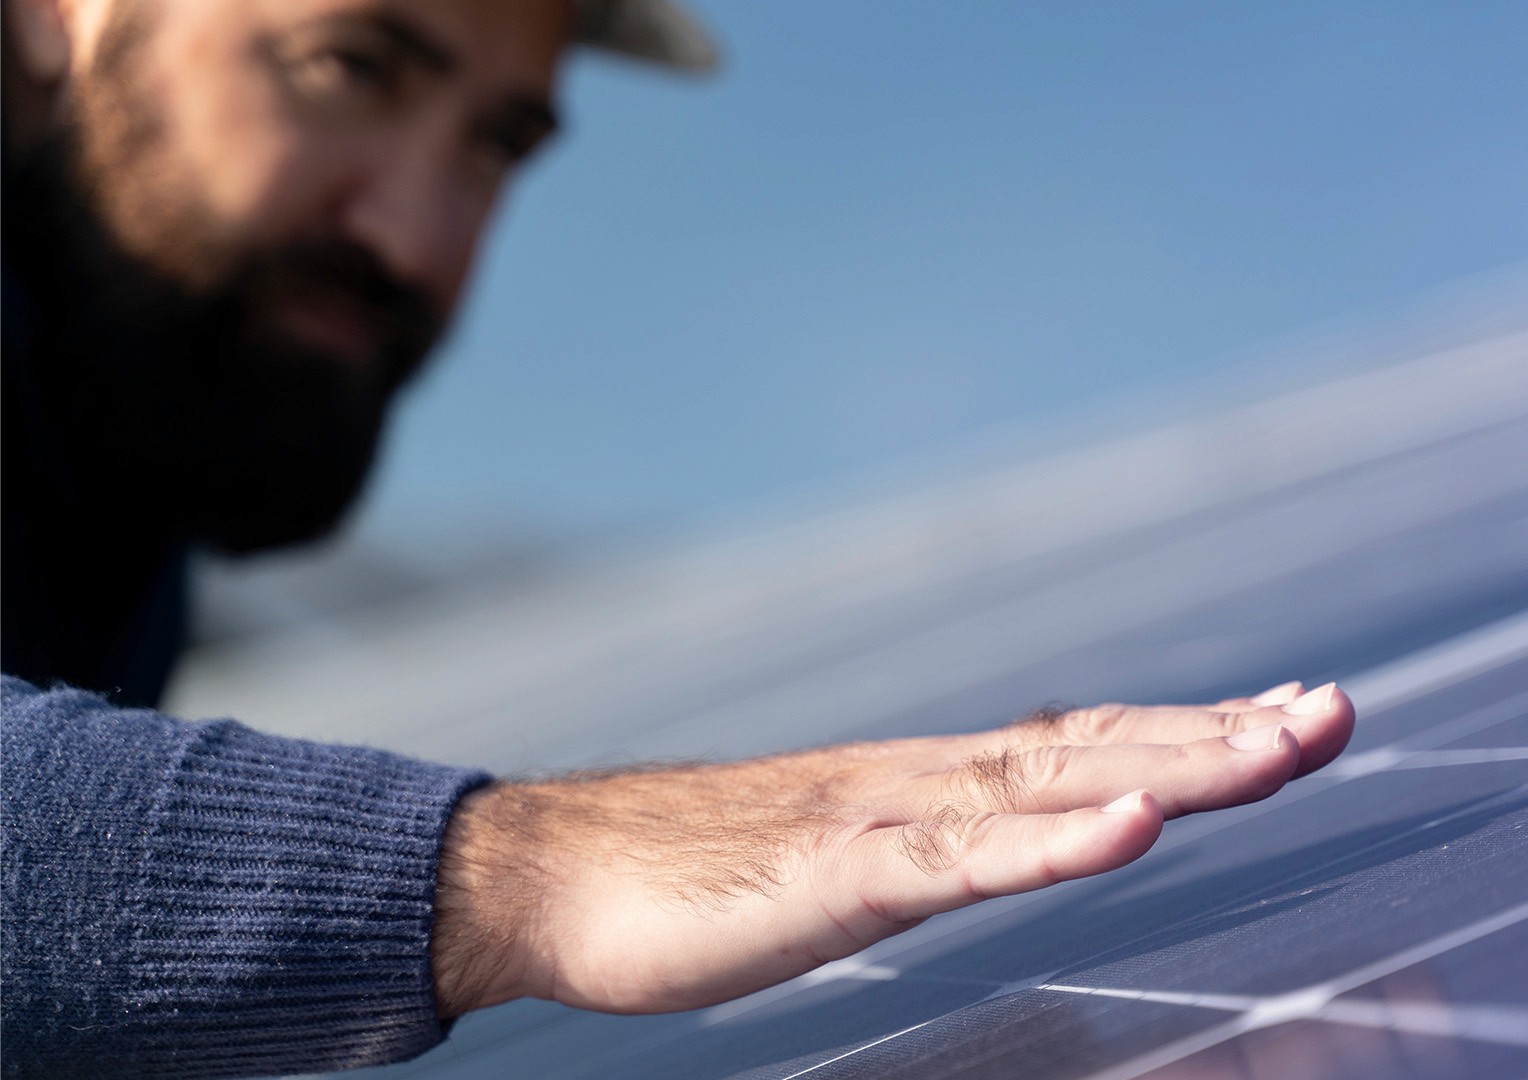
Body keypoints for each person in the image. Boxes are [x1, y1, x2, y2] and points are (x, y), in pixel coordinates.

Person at [0, 0, 1357, 1076]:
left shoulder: (115, 462)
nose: (415, 233)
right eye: (348, 63)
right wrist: (511, 869)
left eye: (495, 144)